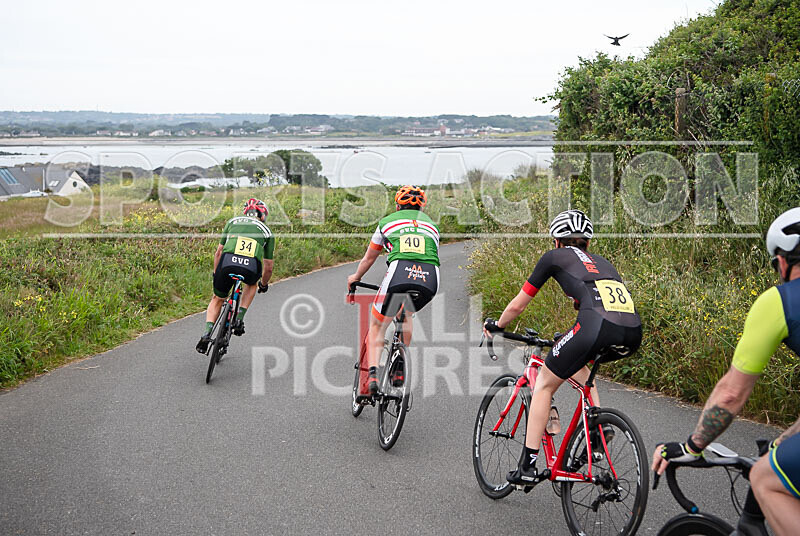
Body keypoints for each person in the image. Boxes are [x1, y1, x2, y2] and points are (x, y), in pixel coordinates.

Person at [652, 207, 800, 536]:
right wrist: (786, 439)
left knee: (765, 478)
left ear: (783, 261)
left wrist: (692, 446)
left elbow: (732, 393)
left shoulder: (781, 300)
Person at [483, 209, 642, 485]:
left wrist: (498, 324)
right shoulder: (604, 263)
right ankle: (598, 432)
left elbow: (519, 304)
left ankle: (528, 467)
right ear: (587, 243)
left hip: (596, 326)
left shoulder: (553, 257)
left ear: (557, 241)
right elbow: (594, 303)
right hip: (632, 332)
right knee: (583, 373)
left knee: (544, 382)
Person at [346, 185, 440, 398]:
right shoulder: (433, 227)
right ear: (422, 208)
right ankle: (399, 367)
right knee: (406, 312)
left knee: (377, 325)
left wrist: (355, 278)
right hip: (431, 278)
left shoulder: (386, 222)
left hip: (399, 272)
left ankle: (371, 376)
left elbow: (369, 258)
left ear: (398, 204)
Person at [196, 198, 274, 353]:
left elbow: (219, 252)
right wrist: (263, 284)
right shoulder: (267, 231)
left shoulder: (233, 222)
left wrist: (216, 273)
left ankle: (206, 333)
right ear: (263, 215)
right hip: (250, 267)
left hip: (227, 262)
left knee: (217, 298)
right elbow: (269, 266)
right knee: (252, 283)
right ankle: (239, 318)